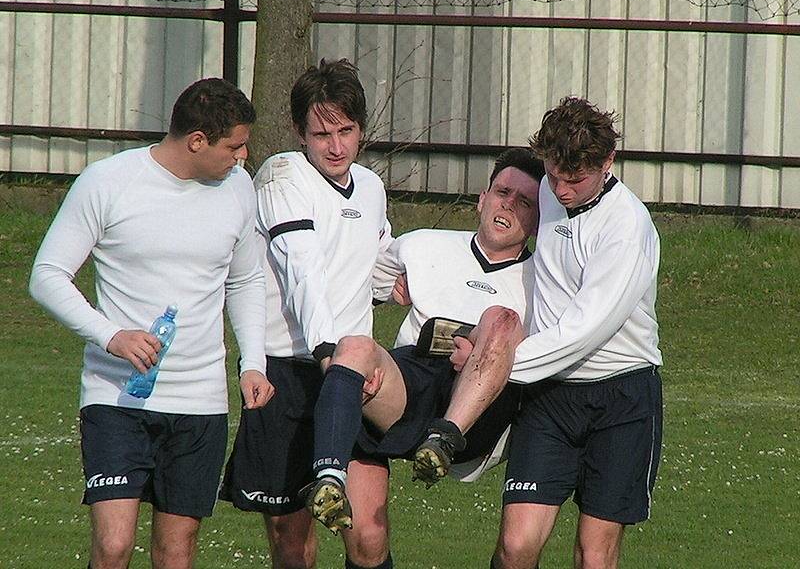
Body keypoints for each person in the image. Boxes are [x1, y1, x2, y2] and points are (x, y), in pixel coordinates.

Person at [28, 78, 273, 569]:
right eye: (235, 145)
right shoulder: (108, 182)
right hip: (116, 398)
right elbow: (46, 276)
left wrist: (254, 363)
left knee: (175, 551)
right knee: (114, 546)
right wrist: (111, 336)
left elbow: (246, 282)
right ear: (197, 140)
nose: (243, 156)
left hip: (200, 401)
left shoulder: (239, 189)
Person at [444, 97, 662, 569]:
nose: (560, 190)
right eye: (554, 175)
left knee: (593, 554)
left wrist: (493, 365)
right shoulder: (549, 186)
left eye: (574, 180)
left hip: (620, 397)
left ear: (608, 163)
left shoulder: (627, 230)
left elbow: (581, 333)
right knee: (516, 546)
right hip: (550, 399)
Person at [303, 149, 544, 569]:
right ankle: (328, 476)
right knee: (366, 539)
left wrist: (479, 346)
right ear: (482, 199)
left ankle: (444, 439)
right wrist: (391, 288)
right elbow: (359, 278)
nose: (509, 204)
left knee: (500, 319)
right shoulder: (420, 245)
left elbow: (553, 348)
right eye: (503, 192)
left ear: (538, 221)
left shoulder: (544, 278)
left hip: (480, 409)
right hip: (409, 382)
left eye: (525, 202)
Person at [218, 58, 392, 569]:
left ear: (361, 129)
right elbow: (304, 270)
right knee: (293, 545)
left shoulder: (372, 187)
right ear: (300, 132)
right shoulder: (282, 176)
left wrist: (398, 281)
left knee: (368, 536)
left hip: (351, 373)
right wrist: (326, 355)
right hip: (290, 371)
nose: (336, 147)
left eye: (346, 131)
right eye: (321, 134)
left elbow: (378, 257)